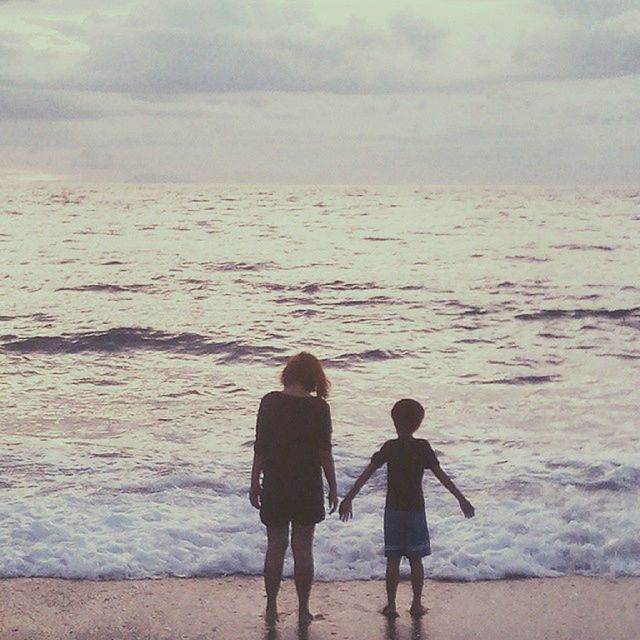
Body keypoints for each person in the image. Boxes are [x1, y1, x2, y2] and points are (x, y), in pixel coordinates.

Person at [339, 398, 474, 618]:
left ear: (394, 422)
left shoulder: (390, 447)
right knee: (415, 559)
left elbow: (367, 474)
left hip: (393, 511)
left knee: (392, 559)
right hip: (415, 511)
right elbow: (442, 477)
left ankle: (391, 606)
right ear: (418, 423)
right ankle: (416, 604)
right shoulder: (422, 447)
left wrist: (349, 498)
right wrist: (461, 499)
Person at [250, 352, 338, 625]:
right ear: (314, 378)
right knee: (303, 548)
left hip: (275, 483)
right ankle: (303, 609)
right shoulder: (319, 408)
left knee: (275, 547)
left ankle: (271, 607)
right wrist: (333, 487)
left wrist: (254, 482)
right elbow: (325, 452)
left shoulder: (270, 401)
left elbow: (260, 447)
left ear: (288, 374)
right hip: (307, 485)